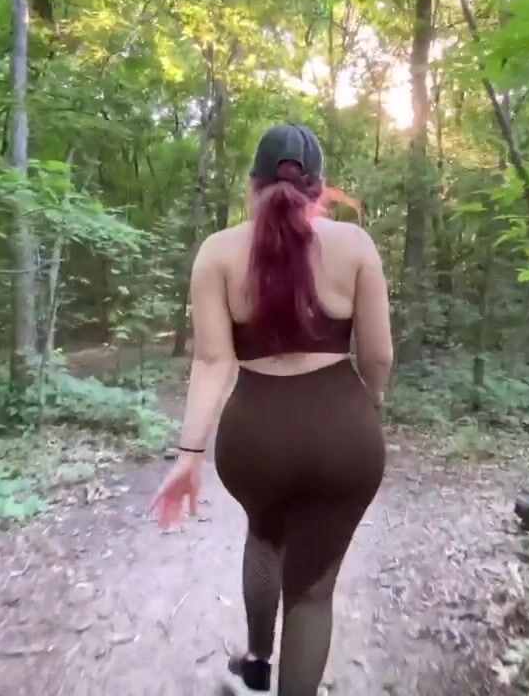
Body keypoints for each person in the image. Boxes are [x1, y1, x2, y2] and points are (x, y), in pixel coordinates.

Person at [150, 123, 394, 695]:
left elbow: (212, 361)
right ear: (320, 187)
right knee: (311, 593)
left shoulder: (217, 252)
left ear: (251, 185)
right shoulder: (355, 245)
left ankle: (258, 663)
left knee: (264, 536)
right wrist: (371, 400)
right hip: (343, 437)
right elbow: (378, 355)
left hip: (255, 441)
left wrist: (189, 455)